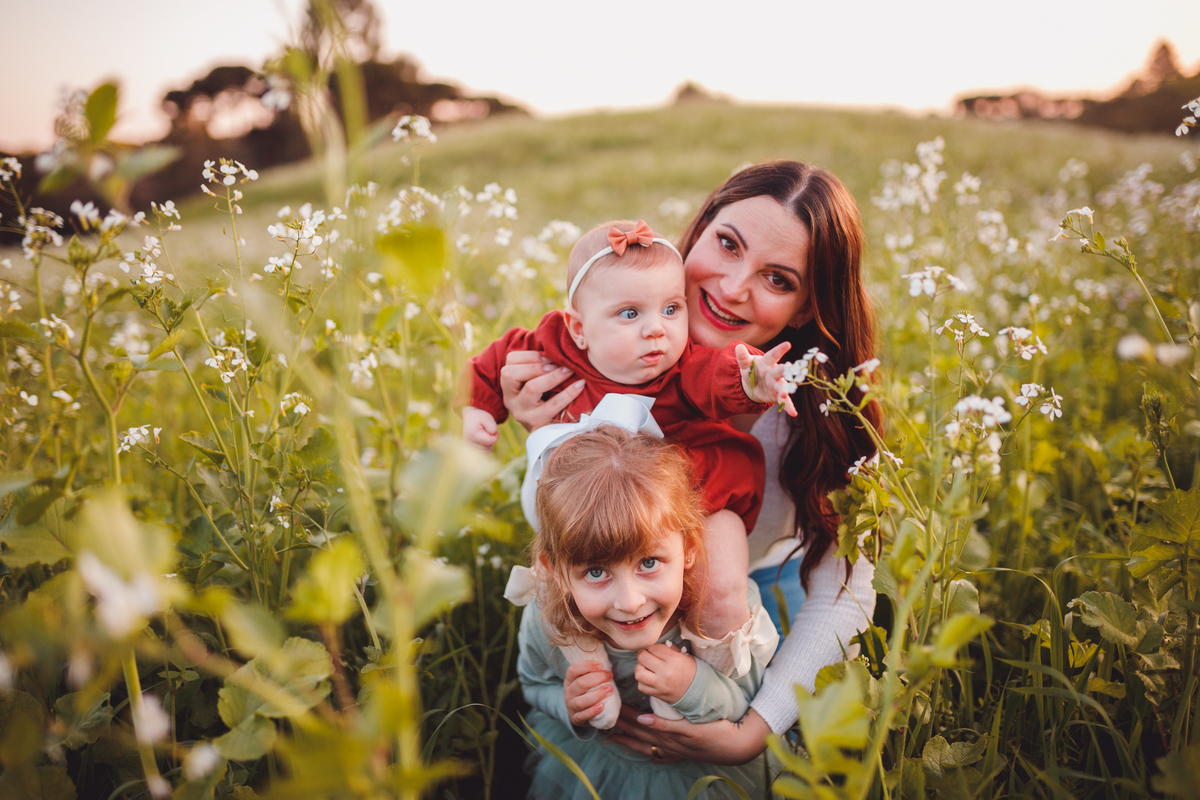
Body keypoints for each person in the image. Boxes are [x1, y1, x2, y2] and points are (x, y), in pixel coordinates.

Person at [498, 161, 882, 765]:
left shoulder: (819, 408)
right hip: (620, 608)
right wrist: (544, 435)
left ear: (806, 309)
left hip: (758, 624)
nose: (732, 287)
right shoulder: (598, 353)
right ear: (696, 232)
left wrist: (755, 728)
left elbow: (845, 585)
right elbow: (568, 536)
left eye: (777, 279)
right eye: (726, 244)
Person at [461, 219, 789, 728]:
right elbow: (494, 358)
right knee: (565, 581)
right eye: (630, 313)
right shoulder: (554, 345)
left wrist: (755, 378)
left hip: (701, 486)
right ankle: (589, 677)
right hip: (592, 498)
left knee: (721, 587)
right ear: (578, 328)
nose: (657, 329)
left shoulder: (678, 368)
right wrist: (479, 407)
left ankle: (708, 685)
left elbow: (719, 374)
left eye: (671, 309)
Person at [515, 427, 770, 799]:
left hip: (704, 777)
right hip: (596, 771)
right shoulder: (550, 618)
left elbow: (749, 705)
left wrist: (694, 685)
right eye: (596, 572)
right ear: (556, 571)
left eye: (649, 562)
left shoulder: (722, 615)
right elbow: (533, 683)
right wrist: (570, 706)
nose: (630, 601)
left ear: (688, 547)